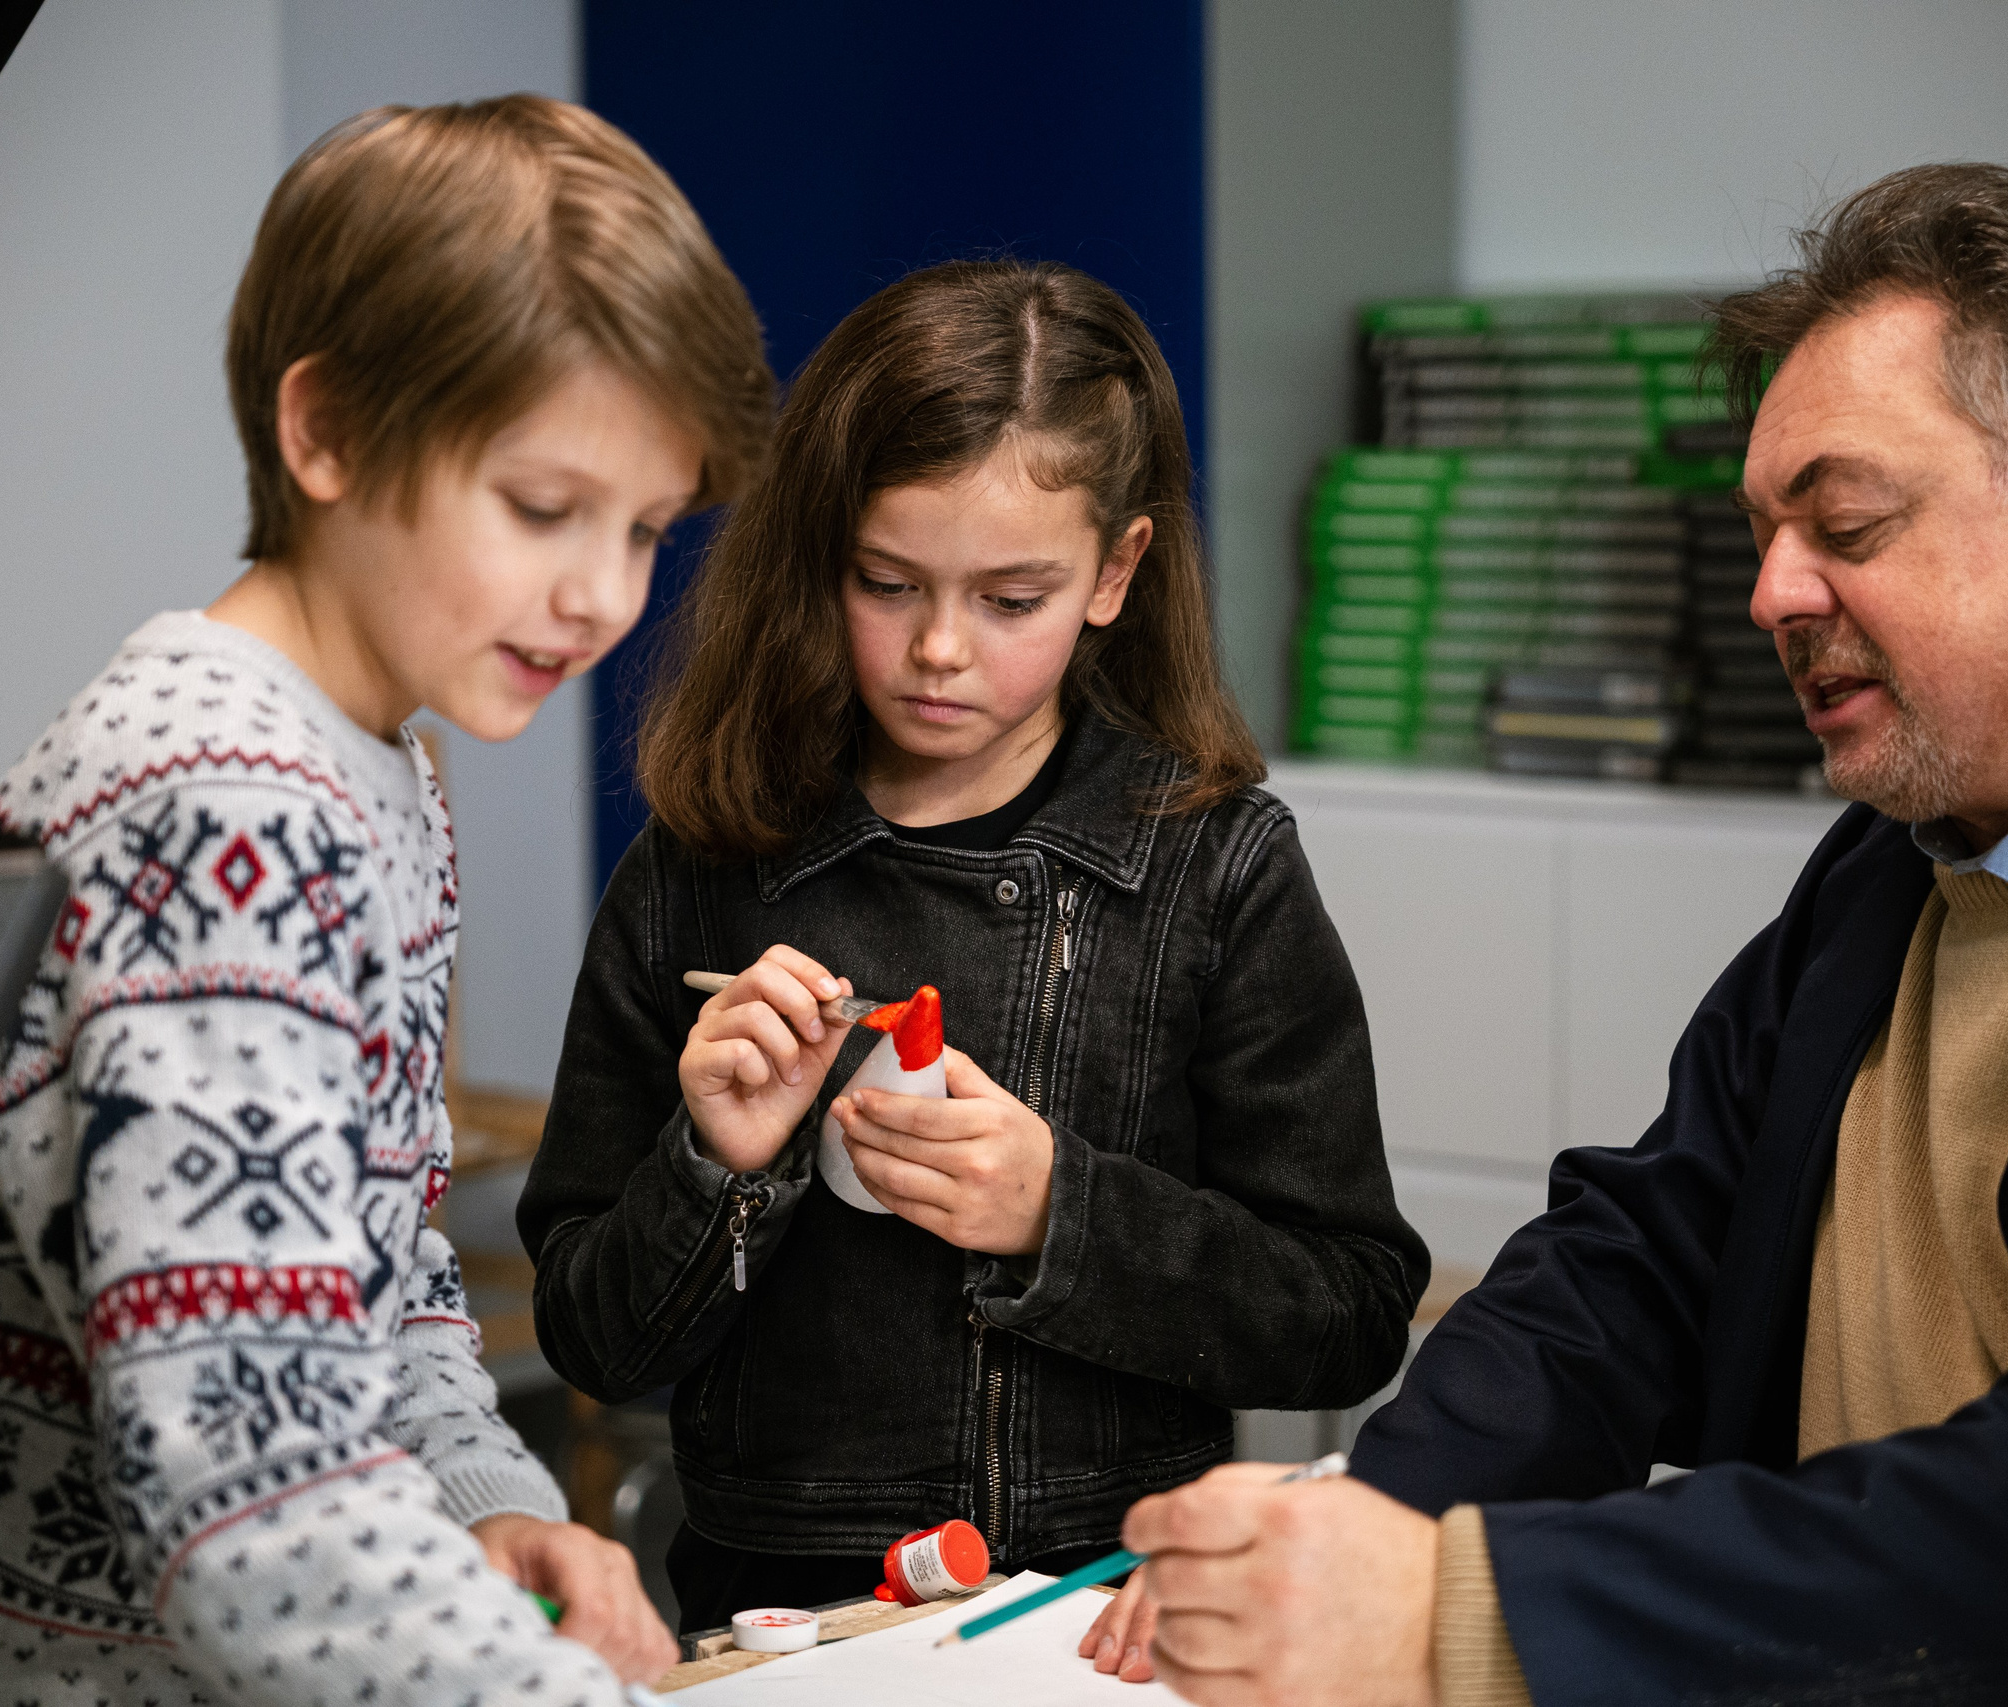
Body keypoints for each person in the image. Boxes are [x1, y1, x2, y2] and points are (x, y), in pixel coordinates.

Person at [1082, 162, 2008, 1705]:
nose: (1771, 592)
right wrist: (1370, 1527)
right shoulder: (1895, 860)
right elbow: (1642, 1255)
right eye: (1763, 531)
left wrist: (1464, 1609)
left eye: (1846, 521)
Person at [0, 97, 773, 1707]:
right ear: (329, 433)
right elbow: (257, 1504)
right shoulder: (228, 797)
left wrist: (490, 1509)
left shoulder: (380, 770)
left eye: (644, 530)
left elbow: (376, 1254)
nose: (604, 596)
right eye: (541, 507)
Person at [518, 259, 1429, 1640]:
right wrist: (717, 1167)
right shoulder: (702, 869)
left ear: (1116, 572)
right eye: (888, 583)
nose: (939, 650)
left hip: (1101, 1611)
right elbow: (595, 1341)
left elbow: (1350, 1311)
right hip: (780, 1618)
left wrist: (1063, 1215)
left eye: (1013, 600)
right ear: (825, 552)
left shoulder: (1213, 864)